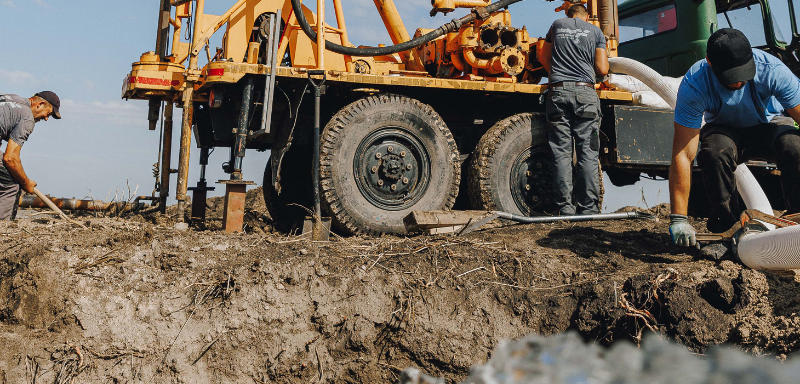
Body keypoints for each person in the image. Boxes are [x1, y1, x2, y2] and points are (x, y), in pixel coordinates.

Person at [668, 28, 800, 256]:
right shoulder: (695, 84)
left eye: (744, 73)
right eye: (731, 76)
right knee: (714, 153)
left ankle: (797, 221)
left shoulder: (773, 70)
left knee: (796, 146)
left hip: (770, 124)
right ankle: (725, 231)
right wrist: (678, 218)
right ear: (709, 62)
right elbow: (683, 154)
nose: (739, 82)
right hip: (725, 129)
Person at [539, 4, 609, 215]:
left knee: (561, 152)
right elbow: (602, 68)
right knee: (587, 152)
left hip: (558, 92)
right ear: (587, 16)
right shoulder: (596, 31)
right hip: (585, 94)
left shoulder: (556, 25)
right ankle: (588, 209)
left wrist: (557, 75)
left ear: (568, 14)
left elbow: (543, 56)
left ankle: (565, 209)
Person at [0, 91, 61, 220]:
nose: (45, 118)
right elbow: (10, 158)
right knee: (12, 183)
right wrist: (25, 182)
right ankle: (3, 229)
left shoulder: (11, 98)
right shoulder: (27, 117)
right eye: (48, 114)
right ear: (40, 104)